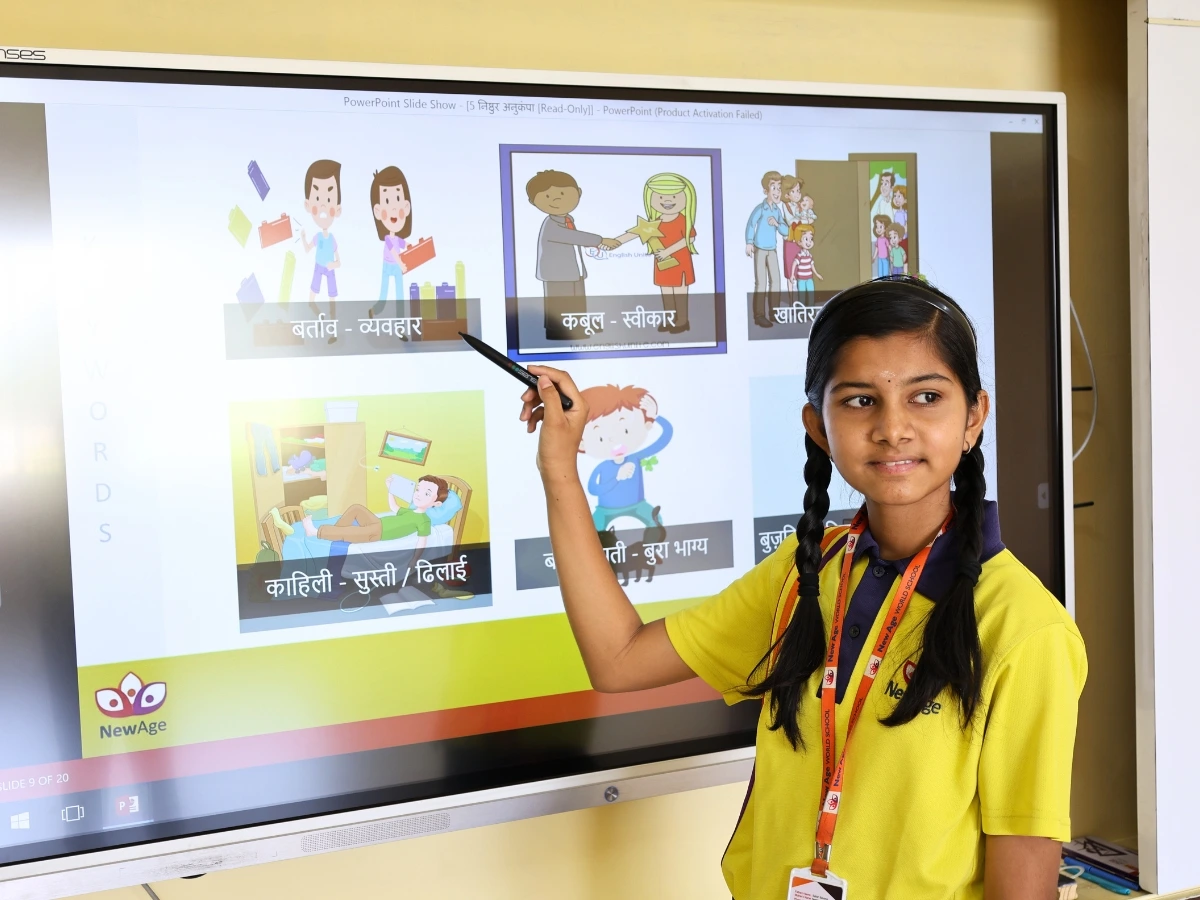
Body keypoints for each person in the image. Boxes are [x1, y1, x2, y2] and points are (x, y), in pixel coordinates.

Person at [515, 276, 1086, 900]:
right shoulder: (806, 573)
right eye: (861, 401)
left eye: (926, 397)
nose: (893, 429)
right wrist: (559, 471)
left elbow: (1024, 878)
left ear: (974, 415)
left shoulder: (1025, 628)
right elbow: (618, 659)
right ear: (818, 425)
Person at [526, 170, 618, 340]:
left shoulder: (569, 220)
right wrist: (601, 240)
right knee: (559, 304)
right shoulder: (551, 224)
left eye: (562, 193)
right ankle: (556, 332)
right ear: (534, 202)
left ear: (579, 193)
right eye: (547, 197)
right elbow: (573, 237)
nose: (556, 199)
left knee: (576, 301)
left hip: (573, 272)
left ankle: (578, 328)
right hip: (557, 275)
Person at [607, 172, 698, 334]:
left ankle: (683, 321)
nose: (667, 201)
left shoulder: (684, 220)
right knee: (666, 291)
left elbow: (689, 239)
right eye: (661, 197)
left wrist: (668, 251)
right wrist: (615, 242)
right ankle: (670, 319)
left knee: (679, 291)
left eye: (674, 197)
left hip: (680, 262)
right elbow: (634, 234)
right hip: (662, 264)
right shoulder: (653, 223)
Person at [579, 385, 672, 530]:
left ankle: (647, 551)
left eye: (626, 430)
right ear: (581, 444)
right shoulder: (602, 467)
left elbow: (664, 439)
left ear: (645, 424)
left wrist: (654, 416)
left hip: (638, 505)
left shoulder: (636, 457)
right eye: (602, 438)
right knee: (592, 530)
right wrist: (617, 478)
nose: (616, 442)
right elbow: (593, 489)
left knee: (656, 521)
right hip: (605, 511)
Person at [301, 475, 449, 550]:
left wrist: (415, 560)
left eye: (427, 494)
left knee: (355, 531)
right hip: (377, 523)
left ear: (436, 503)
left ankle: (315, 532)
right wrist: (389, 489)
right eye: (418, 490)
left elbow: (422, 542)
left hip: (378, 533)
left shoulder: (424, 520)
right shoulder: (410, 512)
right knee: (356, 508)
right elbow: (394, 507)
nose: (418, 494)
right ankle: (337, 533)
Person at [300, 159, 343, 344]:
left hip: (329, 269)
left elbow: (339, 261)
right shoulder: (317, 237)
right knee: (312, 299)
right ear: (308, 206)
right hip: (318, 268)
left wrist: (334, 264)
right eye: (318, 200)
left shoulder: (331, 239)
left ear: (338, 210)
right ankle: (320, 317)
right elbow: (308, 248)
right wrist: (302, 238)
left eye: (329, 200)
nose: (324, 207)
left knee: (332, 301)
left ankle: (333, 332)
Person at [369, 166, 412, 326]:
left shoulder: (397, 237)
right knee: (384, 294)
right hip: (389, 266)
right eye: (387, 201)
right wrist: (401, 263)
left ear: (406, 207)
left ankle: (400, 324)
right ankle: (375, 310)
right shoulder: (387, 238)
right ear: (378, 211)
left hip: (398, 267)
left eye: (398, 200)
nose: (394, 208)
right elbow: (394, 251)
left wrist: (413, 248)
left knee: (400, 296)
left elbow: (404, 244)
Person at [745, 171, 788, 328]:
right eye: (773, 188)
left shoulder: (777, 211)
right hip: (760, 249)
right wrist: (749, 242)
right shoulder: (761, 209)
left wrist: (777, 224)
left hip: (772, 250)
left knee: (776, 280)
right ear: (766, 191)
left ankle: (774, 311)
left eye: (779, 188)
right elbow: (751, 224)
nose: (777, 192)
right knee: (761, 282)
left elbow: (786, 231)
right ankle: (759, 315)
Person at [787, 225, 823, 293]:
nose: (809, 242)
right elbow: (794, 264)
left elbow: (812, 266)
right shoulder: (799, 255)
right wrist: (792, 275)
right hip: (801, 280)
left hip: (809, 278)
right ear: (799, 242)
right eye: (806, 239)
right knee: (802, 296)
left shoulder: (810, 255)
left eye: (811, 239)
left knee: (811, 294)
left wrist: (817, 274)